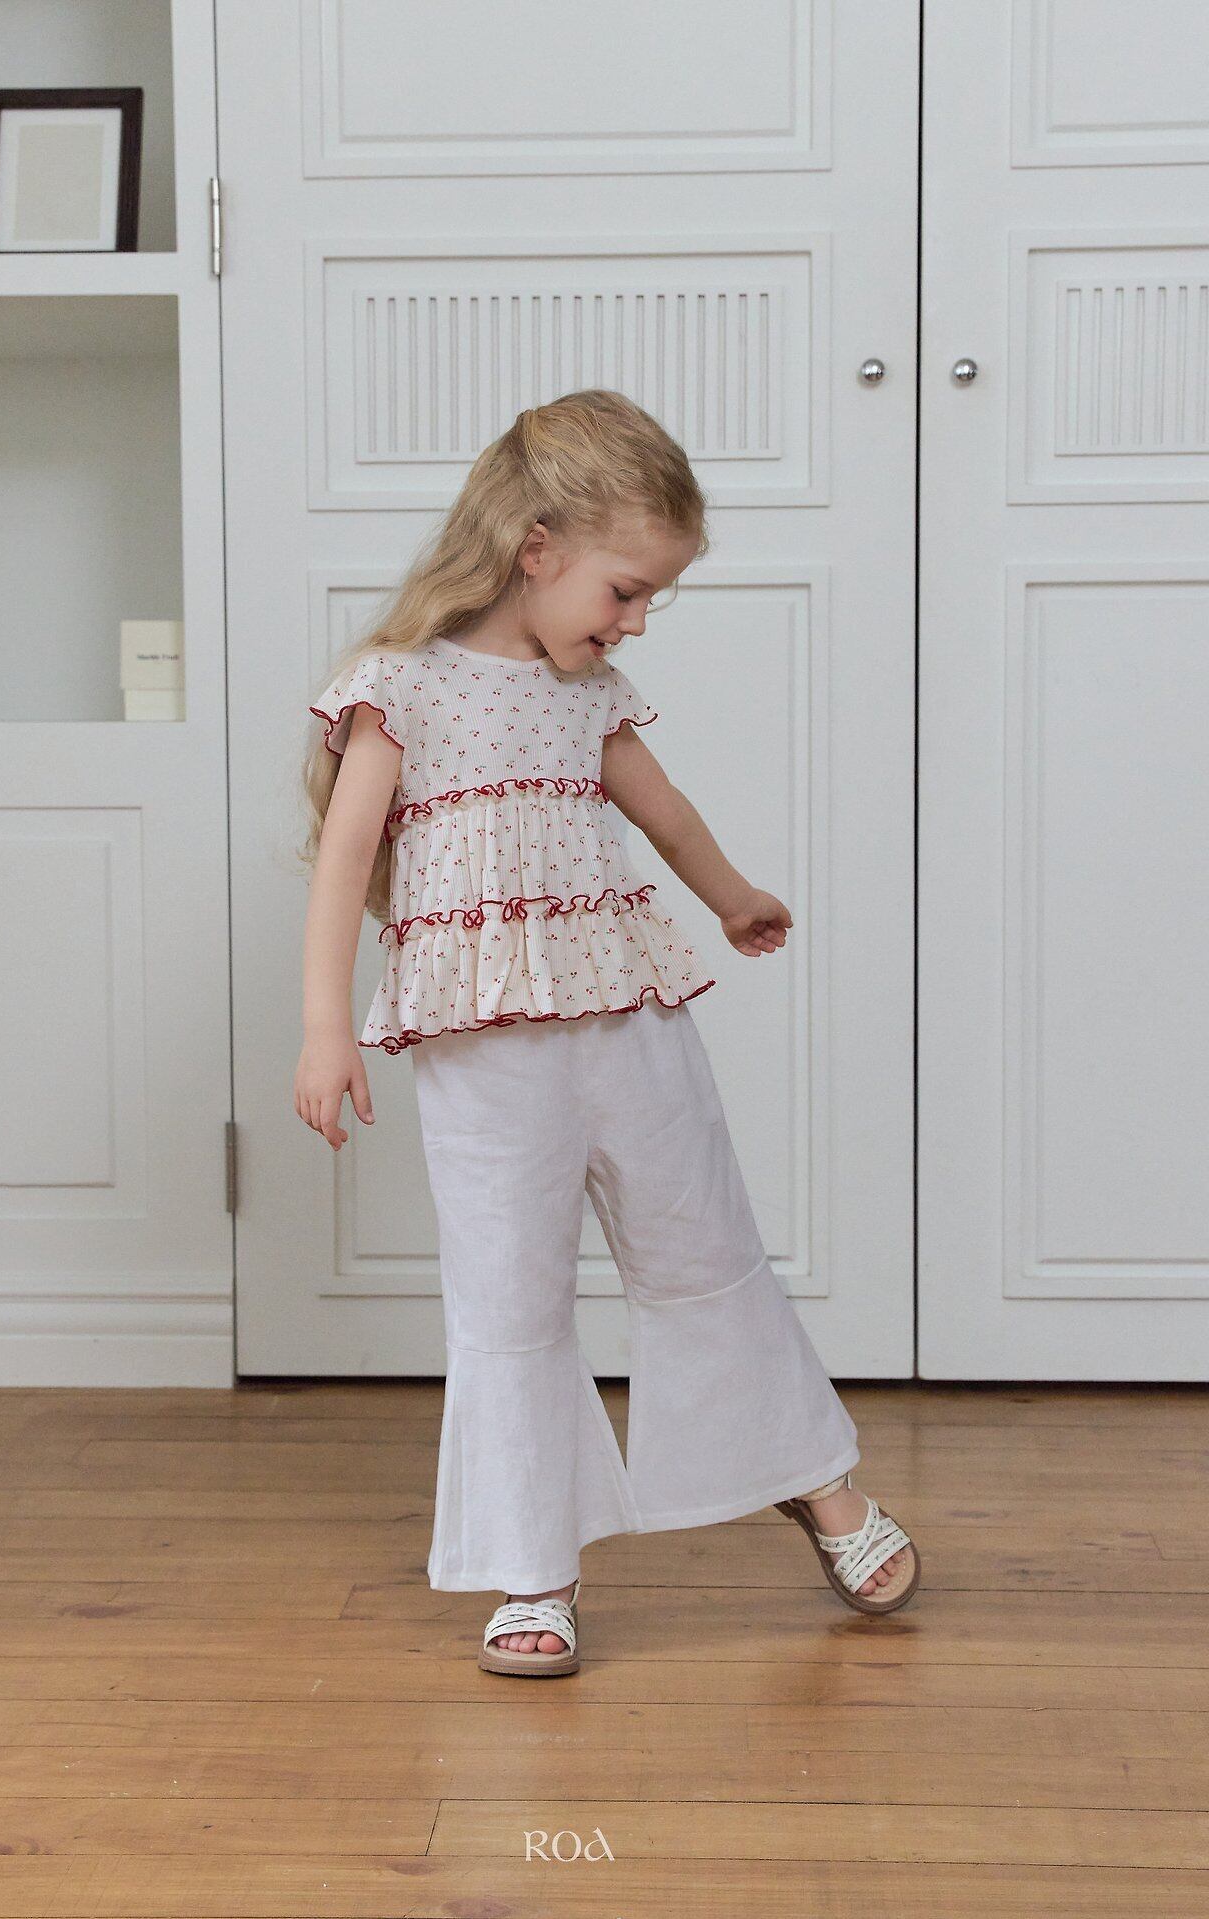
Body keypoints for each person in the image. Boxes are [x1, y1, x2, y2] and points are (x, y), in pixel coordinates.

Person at [295, 389, 920, 1676]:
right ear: (536, 549)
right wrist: (323, 1028)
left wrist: (731, 895)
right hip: (481, 1046)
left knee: (704, 1248)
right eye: (625, 591)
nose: (632, 621)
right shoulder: (399, 688)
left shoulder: (589, 695)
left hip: (626, 1020)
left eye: (648, 601)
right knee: (509, 1299)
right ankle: (534, 1562)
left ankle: (813, 1477)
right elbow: (344, 859)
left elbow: (664, 810)